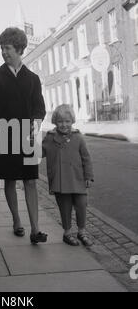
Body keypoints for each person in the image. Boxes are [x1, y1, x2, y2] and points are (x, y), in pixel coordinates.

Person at [0, 27, 48, 244]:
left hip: (29, 139)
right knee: (10, 180)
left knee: (31, 181)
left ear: (19, 49)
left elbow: (40, 108)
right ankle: (16, 220)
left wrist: (36, 123)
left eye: (8, 48)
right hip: (2, 137)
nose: (4, 52)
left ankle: (36, 229)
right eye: (1, 48)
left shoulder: (33, 79)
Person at [42, 104, 94, 247]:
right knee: (64, 207)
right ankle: (67, 232)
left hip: (78, 178)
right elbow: (39, 153)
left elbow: (86, 158)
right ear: (55, 122)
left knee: (81, 204)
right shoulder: (50, 138)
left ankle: (82, 231)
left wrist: (88, 176)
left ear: (72, 122)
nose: (64, 125)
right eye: (60, 121)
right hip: (60, 181)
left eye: (67, 121)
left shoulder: (78, 137)